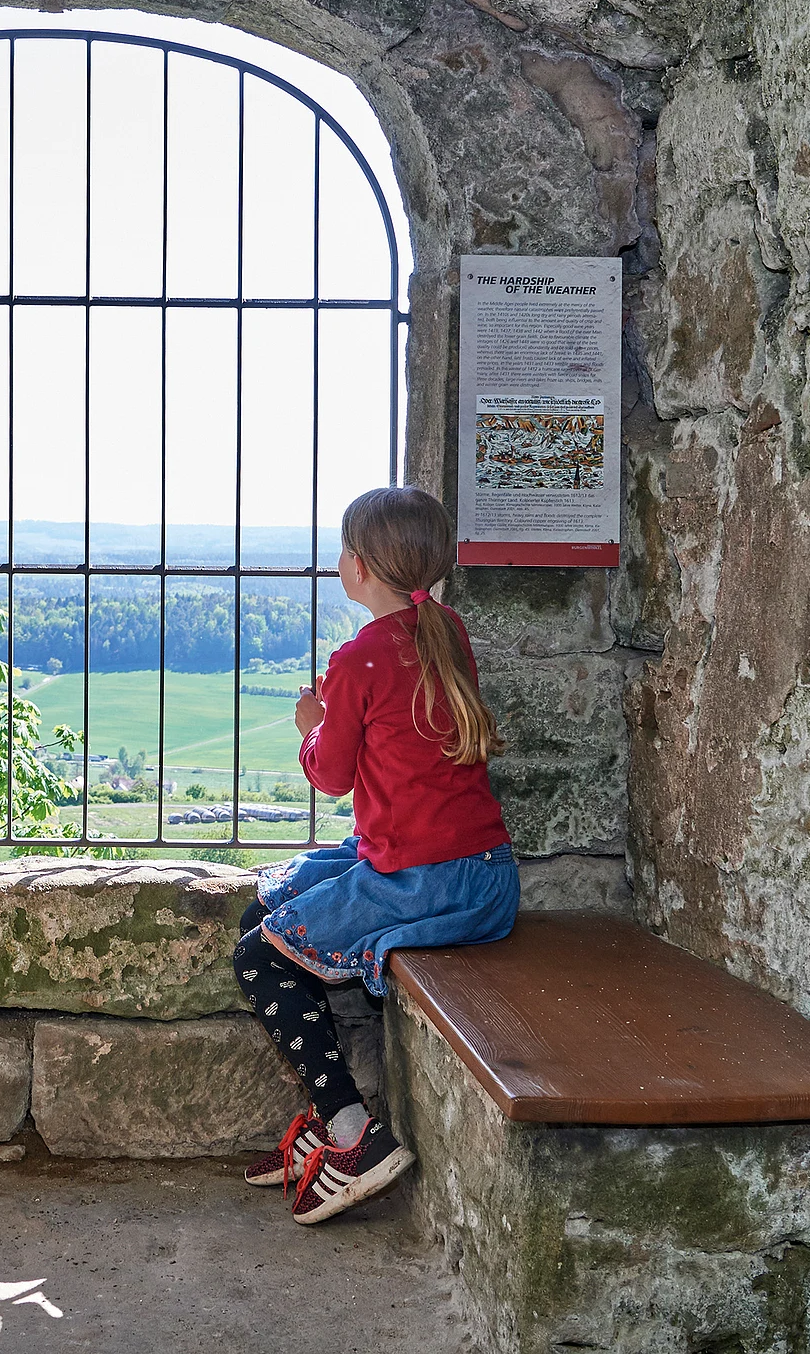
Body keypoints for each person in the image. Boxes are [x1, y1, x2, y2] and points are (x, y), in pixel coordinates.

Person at [237, 485, 519, 1224]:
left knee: (257, 957)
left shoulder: (359, 658)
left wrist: (311, 722)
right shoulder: (445, 628)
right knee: (266, 907)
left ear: (357, 567)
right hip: (482, 873)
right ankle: (332, 1126)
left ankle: (353, 1134)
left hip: (422, 877)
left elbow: (330, 774)